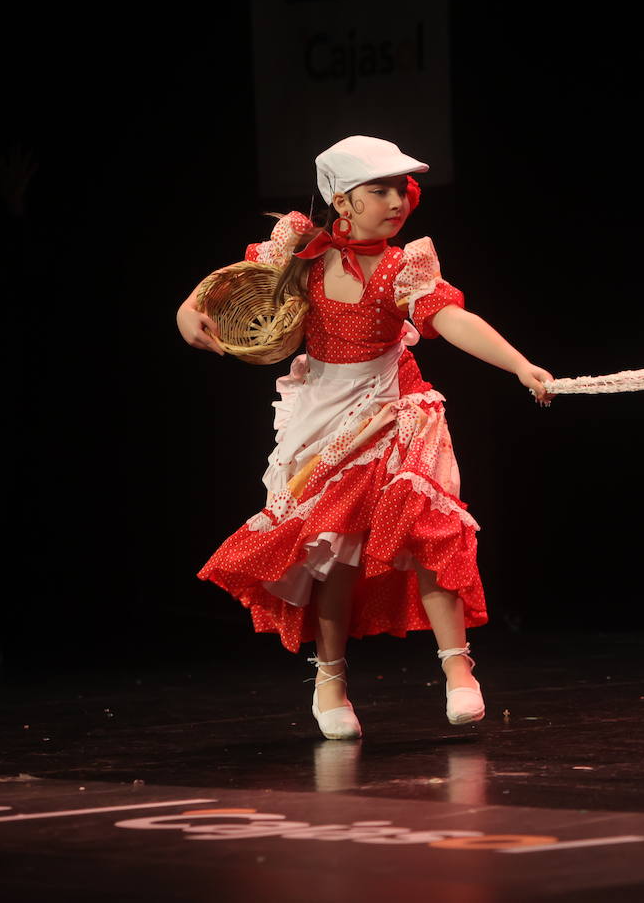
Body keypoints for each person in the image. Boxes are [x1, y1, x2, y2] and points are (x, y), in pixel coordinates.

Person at [177, 136, 554, 740]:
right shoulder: (300, 251)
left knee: (429, 523)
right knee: (335, 551)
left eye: (401, 189)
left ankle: (459, 669)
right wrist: (187, 310)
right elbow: (224, 286)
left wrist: (518, 364)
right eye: (378, 190)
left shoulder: (405, 266)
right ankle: (330, 680)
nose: (396, 201)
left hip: (394, 404)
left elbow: (449, 318)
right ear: (341, 201)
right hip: (327, 411)